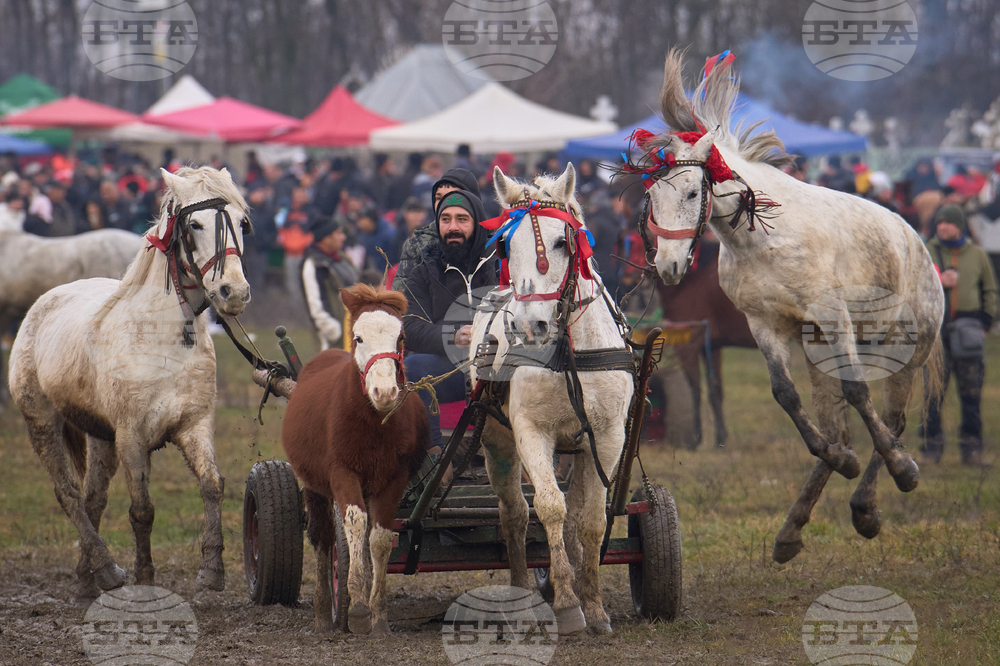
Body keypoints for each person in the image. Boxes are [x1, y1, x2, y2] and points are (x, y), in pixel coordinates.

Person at [398, 190, 497, 453]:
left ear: (477, 225)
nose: (453, 227)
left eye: (462, 219)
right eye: (445, 219)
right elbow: (411, 327)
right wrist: (453, 335)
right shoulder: (424, 271)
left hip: (498, 367)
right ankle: (434, 457)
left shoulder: (499, 266)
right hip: (451, 368)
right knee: (414, 367)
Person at [922, 205, 998, 466]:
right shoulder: (926, 252)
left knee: (971, 395)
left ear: (959, 226)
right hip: (936, 332)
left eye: (948, 223)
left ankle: (972, 450)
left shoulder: (977, 255)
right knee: (932, 395)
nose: (942, 226)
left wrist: (985, 322)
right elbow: (914, 285)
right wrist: (939, 282)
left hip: (968, 331)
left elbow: (990, 289)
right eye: (939, 222)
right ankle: (931, 450)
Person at [392, 167, 481, 292]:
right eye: (439, 198)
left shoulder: (492, 244)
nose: (443, 203)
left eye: (452, 196)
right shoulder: (416, 244)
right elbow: (401, 297)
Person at [301, 216, 360, 351]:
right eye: (338, 233)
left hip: (356, 332)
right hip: (334, 341)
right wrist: (335, 332)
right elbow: (315, 307)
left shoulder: (343, 259)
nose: (343, 237)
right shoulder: (313, 265)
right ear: (326, 238)